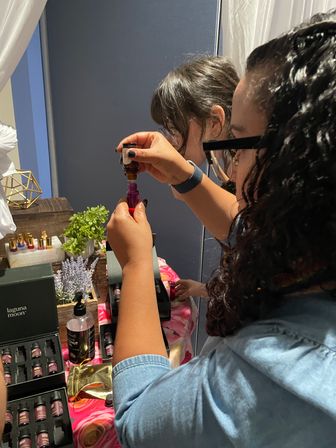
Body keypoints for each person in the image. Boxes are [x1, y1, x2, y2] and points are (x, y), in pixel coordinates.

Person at [108, 13, 336, 448]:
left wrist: (138, 265)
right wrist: (184, 175)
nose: (231, 167)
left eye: (239, 142)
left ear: (297, 168)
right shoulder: (313, 242)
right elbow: (252, 231)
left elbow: (137, 421)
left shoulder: (274, 376)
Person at [151, 55, 239, 299]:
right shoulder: (226, 162)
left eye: (174, 127)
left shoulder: (246, 171)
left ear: (214, 122)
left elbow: (246, 241)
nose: (171, 138)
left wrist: (182, 177)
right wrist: (203, 289)